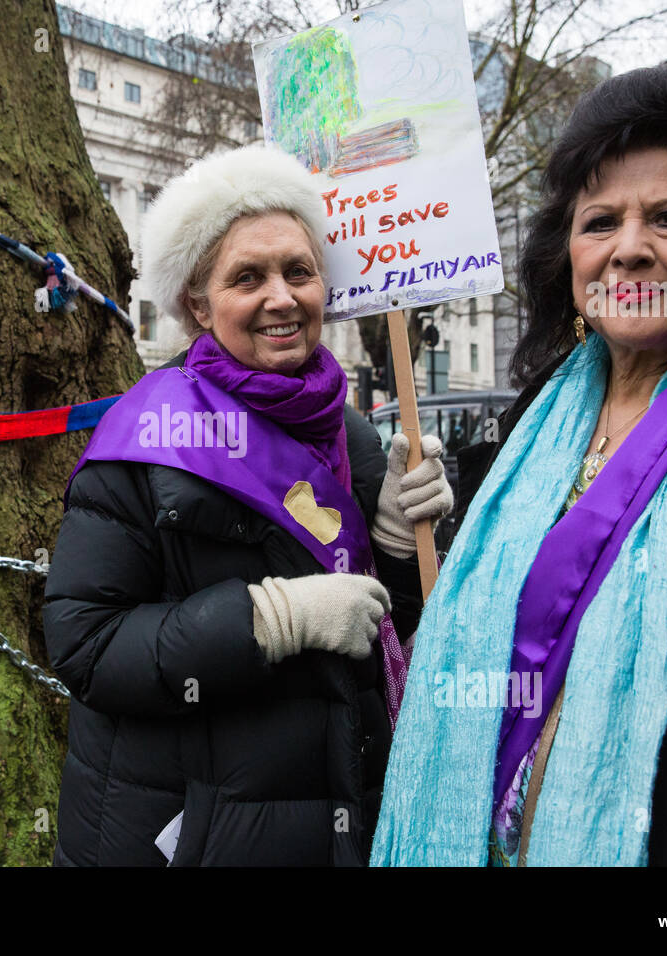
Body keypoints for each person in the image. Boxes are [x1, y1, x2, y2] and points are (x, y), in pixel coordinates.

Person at [371, 62, 667, 867]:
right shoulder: (526, 433)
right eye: (599, 224)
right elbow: (473, 655)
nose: (629, 251)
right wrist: (398, 545)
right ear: (570, 260)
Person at [43, 144, 452, 866]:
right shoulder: (146, 437)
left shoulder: (354, 436)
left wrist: (398, 545)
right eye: (247, 278)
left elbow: (379, 634)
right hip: (187, 835)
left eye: (299, 271)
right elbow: (87, 646)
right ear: (199, 304)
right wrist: (268, 620)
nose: (282, 297)